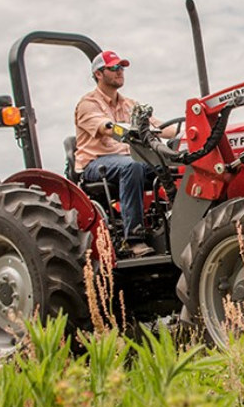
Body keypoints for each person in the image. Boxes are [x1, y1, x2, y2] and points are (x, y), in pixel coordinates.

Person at [73, 50, 175, 257]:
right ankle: (133, 239)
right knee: (132, 166)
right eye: (114, 68)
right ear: (99, 74)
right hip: (96, 164)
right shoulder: (88, 104)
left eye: (122, 68)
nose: (120, 72)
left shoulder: (130, 104)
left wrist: (188, 132)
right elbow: (107, 128)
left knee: (172, 164)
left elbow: (160, 126)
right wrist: (129, 131)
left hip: (127, 159)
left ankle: (174, 224)